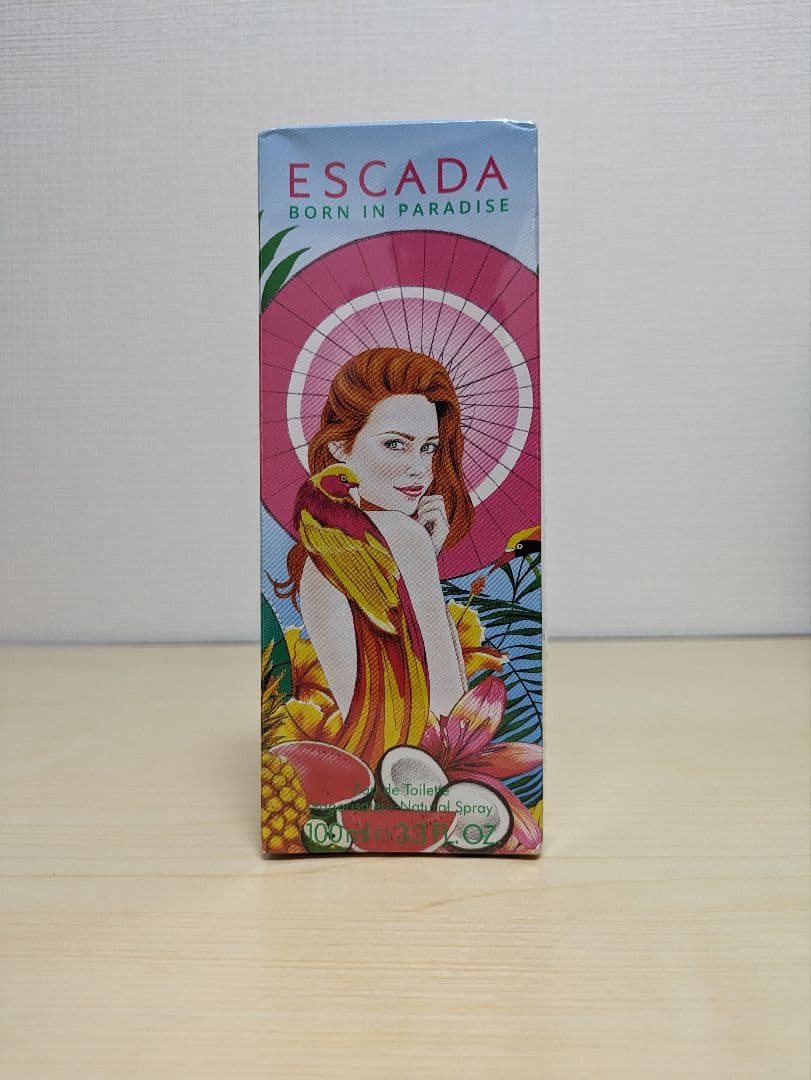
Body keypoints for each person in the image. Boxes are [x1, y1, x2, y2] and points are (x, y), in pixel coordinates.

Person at [274, 347, 474, 766]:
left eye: (429, 448)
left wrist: (424, 561)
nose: (419, 469)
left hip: (366, 770)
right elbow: (453, 717)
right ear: (339, 447)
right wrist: (422, 560)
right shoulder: (402, 536)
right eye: (395, 444)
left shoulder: (318, 553)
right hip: (422, 773)